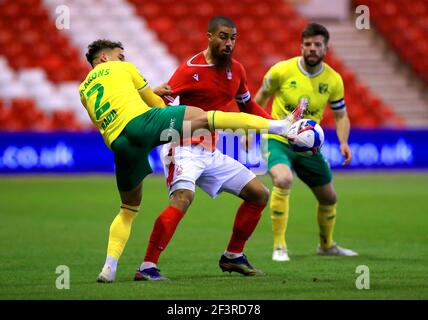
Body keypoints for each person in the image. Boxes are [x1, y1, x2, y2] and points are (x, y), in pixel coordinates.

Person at [79, 39, 296, 283]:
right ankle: (281, 126)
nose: (123, 59)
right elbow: (156, 105)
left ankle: (109, 268)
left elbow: (110, 115)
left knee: (128, 209)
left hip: (121, 144)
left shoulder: (83, 91)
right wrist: (156, 100)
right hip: (164, 137)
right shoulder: (127, 68)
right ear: (105, 58)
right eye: (120, 55)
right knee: (204, 120)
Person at [134, 16, 306, 281]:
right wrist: (156, 102)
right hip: (182, 147)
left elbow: (248, 107)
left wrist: (280, 126)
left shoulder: (236, 70)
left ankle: (233, 256)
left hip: (210, 151)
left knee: (259, 194)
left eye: (233, 38)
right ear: (210, 37)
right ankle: (147, 266)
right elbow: (159, 106)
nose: (229, 43)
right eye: (223, 37)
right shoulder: (189, 70)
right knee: (183, 198)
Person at [254, 22, 358, 262]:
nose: (312, 48)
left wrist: (344, 142)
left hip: (308, 146)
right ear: (301, 46)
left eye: (317, 45)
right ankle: (279, 246)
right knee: (283, 179)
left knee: (329, 198)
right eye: (308, 44)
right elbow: (259, 99)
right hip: (277, 138)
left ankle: (327, 245)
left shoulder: (333, 80)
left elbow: (341, 115)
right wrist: (256, 128)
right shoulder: (281, 70)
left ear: (325, 48)